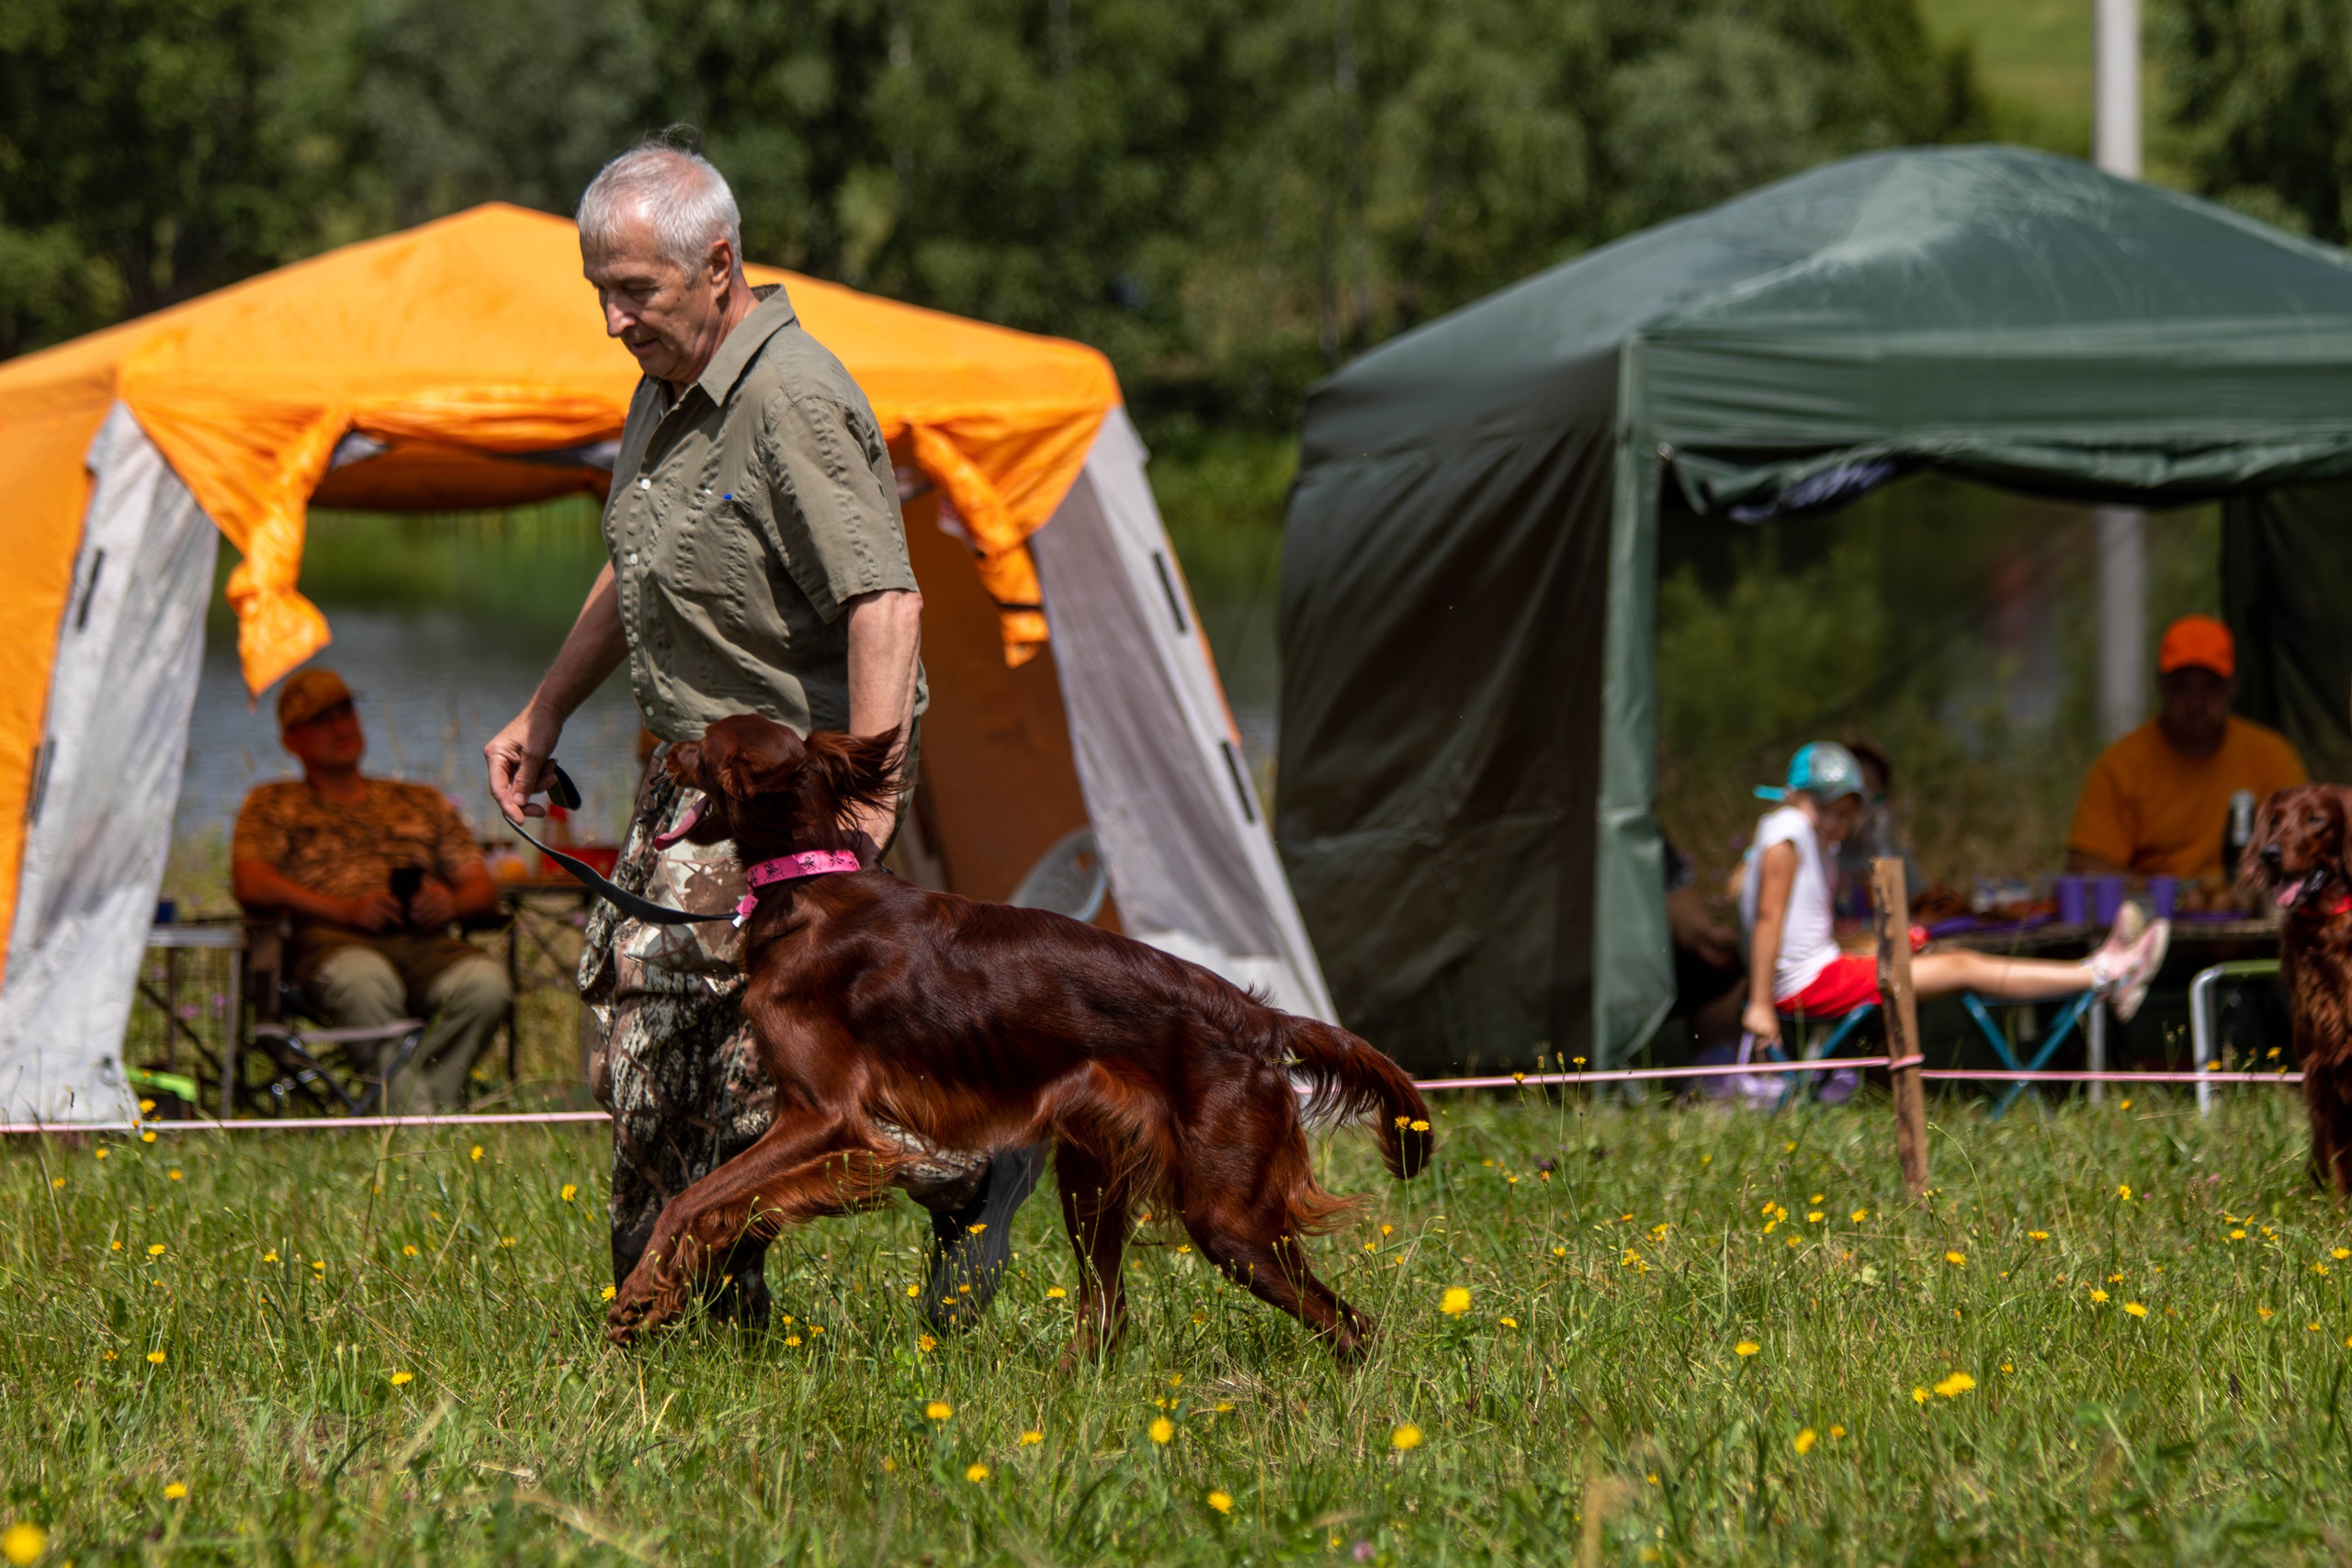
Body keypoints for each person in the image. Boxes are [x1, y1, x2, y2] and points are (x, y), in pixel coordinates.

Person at [481, 133, 1028, 1335]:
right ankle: (953, 1170)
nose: (614, 321)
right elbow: (640, 558)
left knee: (690, 1054)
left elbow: (887, 601)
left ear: (718, 265)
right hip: (688, 782)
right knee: (662, 1058)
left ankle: (676, 1315)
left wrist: (868, 810)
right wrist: (545, 707)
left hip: (788, 797)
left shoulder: (793, 396)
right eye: (600, 293)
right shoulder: (666, 383)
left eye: (636, 291)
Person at [1739, 743, 2171, 1054]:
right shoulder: (1789, 830)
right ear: (1800, 797)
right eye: (1832, 813)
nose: (1839, 826)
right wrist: (1759, 1005)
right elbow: (1766, 918)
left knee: (1934, 950)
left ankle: (2100, 968)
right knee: (1963, 966)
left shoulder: (1802, 835)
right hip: (1808, 987)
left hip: (1819, 972)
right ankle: (2103, 975)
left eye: (1846, 816)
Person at [232, 669, 511, 1112]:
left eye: (346, 712)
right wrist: (343, 911)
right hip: (332, 945)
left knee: (485, 984)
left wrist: (449, 903)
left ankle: (410, 1115)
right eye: (323, 720)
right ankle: (422, 1122)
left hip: (424, 942)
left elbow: (482, 889)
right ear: (291, 739)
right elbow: (251, 882)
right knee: (366, 981)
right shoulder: (273, 803)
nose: (342, 727)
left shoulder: (418, 800)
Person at [2067, 615, 2307, 877]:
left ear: (2232, 687)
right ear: (2161, 686)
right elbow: (2085, 865)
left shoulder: (2271, 755)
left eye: (2210, 688)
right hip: (2153, 911)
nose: (2196, 702)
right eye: (2182, 688)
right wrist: (2150, 892)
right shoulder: (2122, 763)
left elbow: (2304, 847)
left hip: (2250, 908)